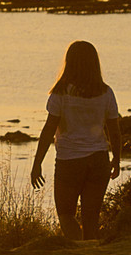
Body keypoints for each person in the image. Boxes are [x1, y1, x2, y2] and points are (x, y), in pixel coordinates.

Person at [30, 40, 122, 240]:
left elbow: (48, 131)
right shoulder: (106, 93)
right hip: (99, 160)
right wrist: (116, 159)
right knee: (91, 218)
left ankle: (80, 251)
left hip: (69, 161)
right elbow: (114, 131)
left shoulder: (61, 93)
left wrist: (37, 163)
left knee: (65, 215)